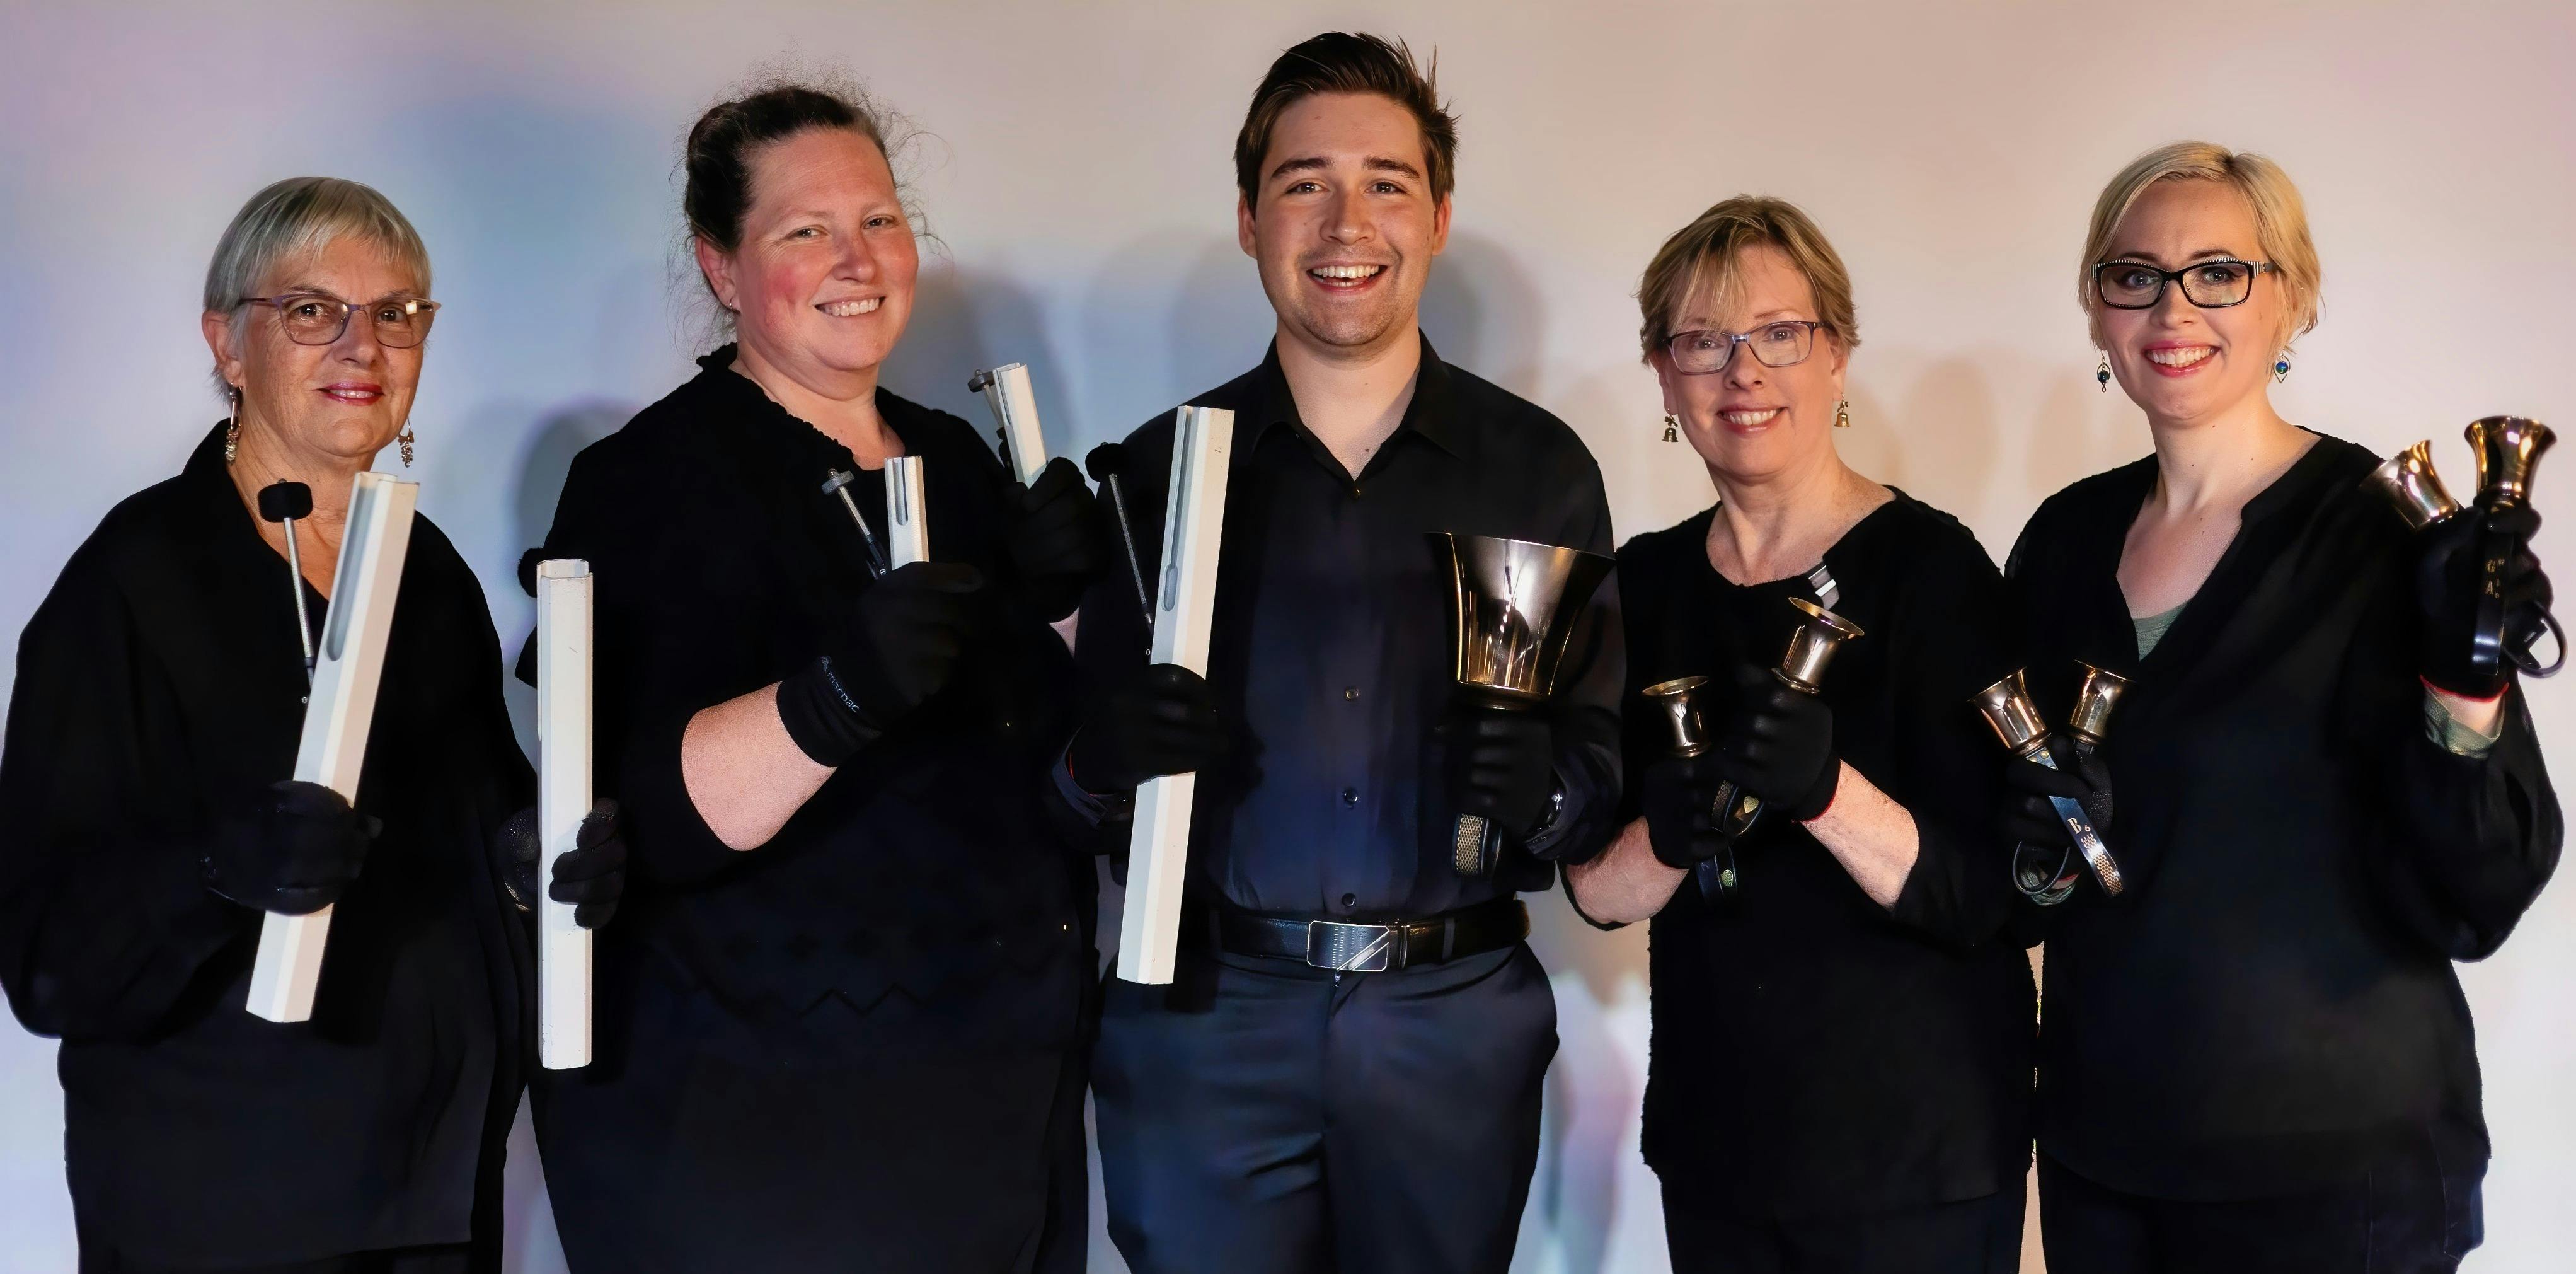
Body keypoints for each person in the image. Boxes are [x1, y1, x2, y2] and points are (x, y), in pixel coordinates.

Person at [517, 80, 1104, 1274]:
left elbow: (1049, 757)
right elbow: (640, 814)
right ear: (722, 269)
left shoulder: (957, 456)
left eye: (880, 221)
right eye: (805, 231)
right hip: (764, 1135)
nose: (859, 259)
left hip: (997, 1101)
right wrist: (832, 697)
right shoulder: (647, 482)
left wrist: (1078, 605)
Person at [1057, 33, 1622, 1274]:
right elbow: (1075, 784)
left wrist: (1553, 789)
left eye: (1386, 181)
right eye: (1304, 181)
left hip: (1451, 1024)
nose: (1343, 219)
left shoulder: (1537, 470)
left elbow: (1598, 754)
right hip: (1202, 1022)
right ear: (1251, 217)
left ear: (1439, 215)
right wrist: (1092, 763)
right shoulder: (1153, 474)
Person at [0, 177, 623, 1274]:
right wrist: (215, 871)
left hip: (433, 1198)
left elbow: (483, 837)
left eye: (396, 313)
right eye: (310, 310)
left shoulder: (428, 577)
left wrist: (544, 867)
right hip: (229, 1211)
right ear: (227, 343)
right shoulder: (133, 583)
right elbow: (47, 958)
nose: (362, 343)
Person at [2004, 141, 2561, 1271]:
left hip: (2334, 1175)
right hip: (2103, 1155)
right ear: (2098, 310)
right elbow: (2027, 863)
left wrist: (2468, 683)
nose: (2174, 305)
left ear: (2292, 297)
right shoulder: (2059, 547)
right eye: (2136, 274)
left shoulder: (2386, 536)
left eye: (2220, 271)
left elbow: (2484, 890)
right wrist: (2039, 849)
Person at [1564, 197, 2030, 1273]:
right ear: (1663, 375)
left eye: (1781, 334)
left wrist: (1826, 789)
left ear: (1838, 356)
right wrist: (1666, 837)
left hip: (1918, 1153)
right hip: (1722, 1145)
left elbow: (1990, 897)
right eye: (1703, 341)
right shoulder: (1643, 583)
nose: (1744, 372)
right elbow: (1594, 888)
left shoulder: (1933, 571)